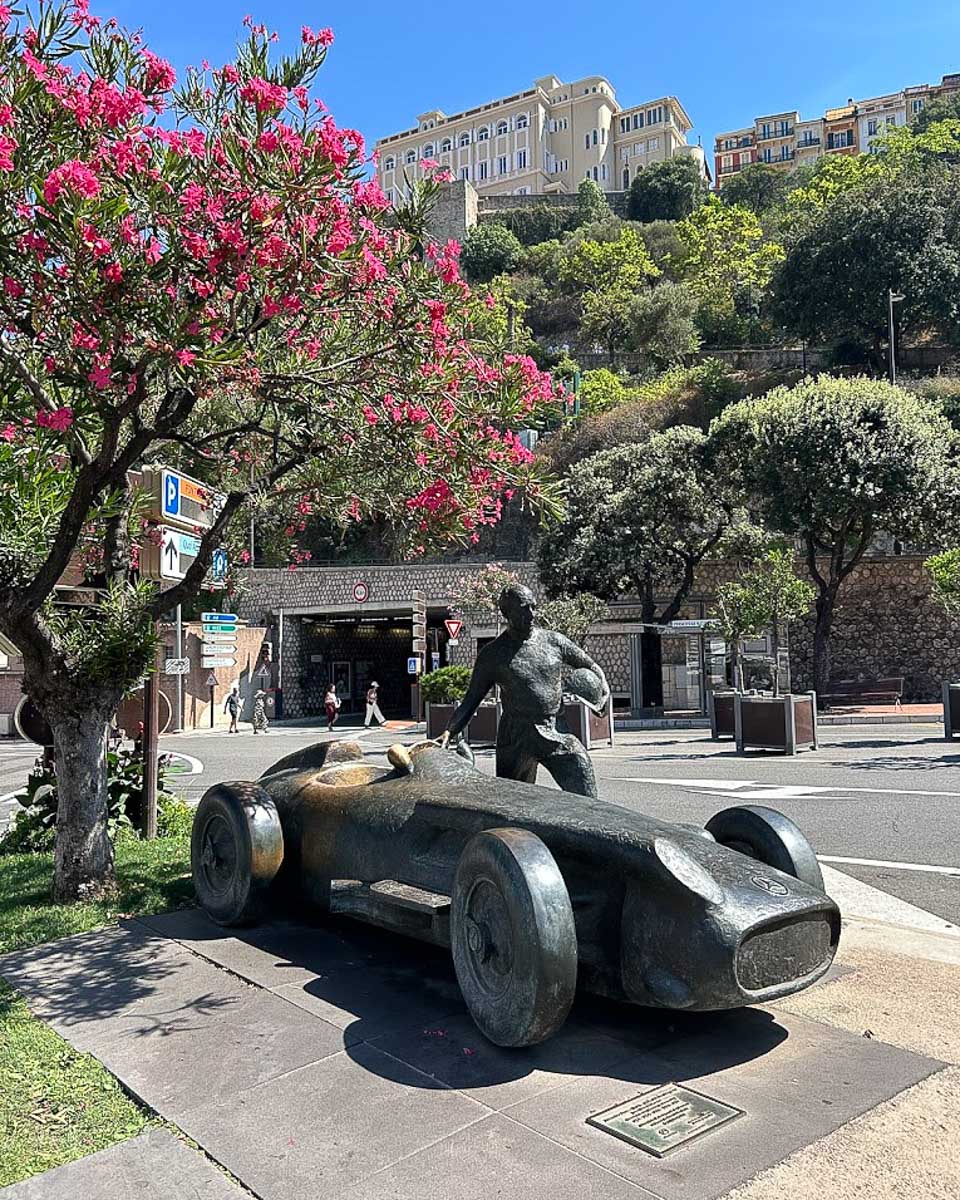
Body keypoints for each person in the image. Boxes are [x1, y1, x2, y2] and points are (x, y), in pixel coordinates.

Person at [443, 583, 609, 798]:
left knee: (582, 775)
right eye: (523, 608)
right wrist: (449, 733)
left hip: (554, 730)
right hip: (515, 736)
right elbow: (471, 701)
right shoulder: (493, 655)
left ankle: (592, 827)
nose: (531, 614)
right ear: (506, 613)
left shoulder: (554, 641)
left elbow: (590, 665)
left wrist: (603, 689)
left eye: (533, 606)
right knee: (512, 803)